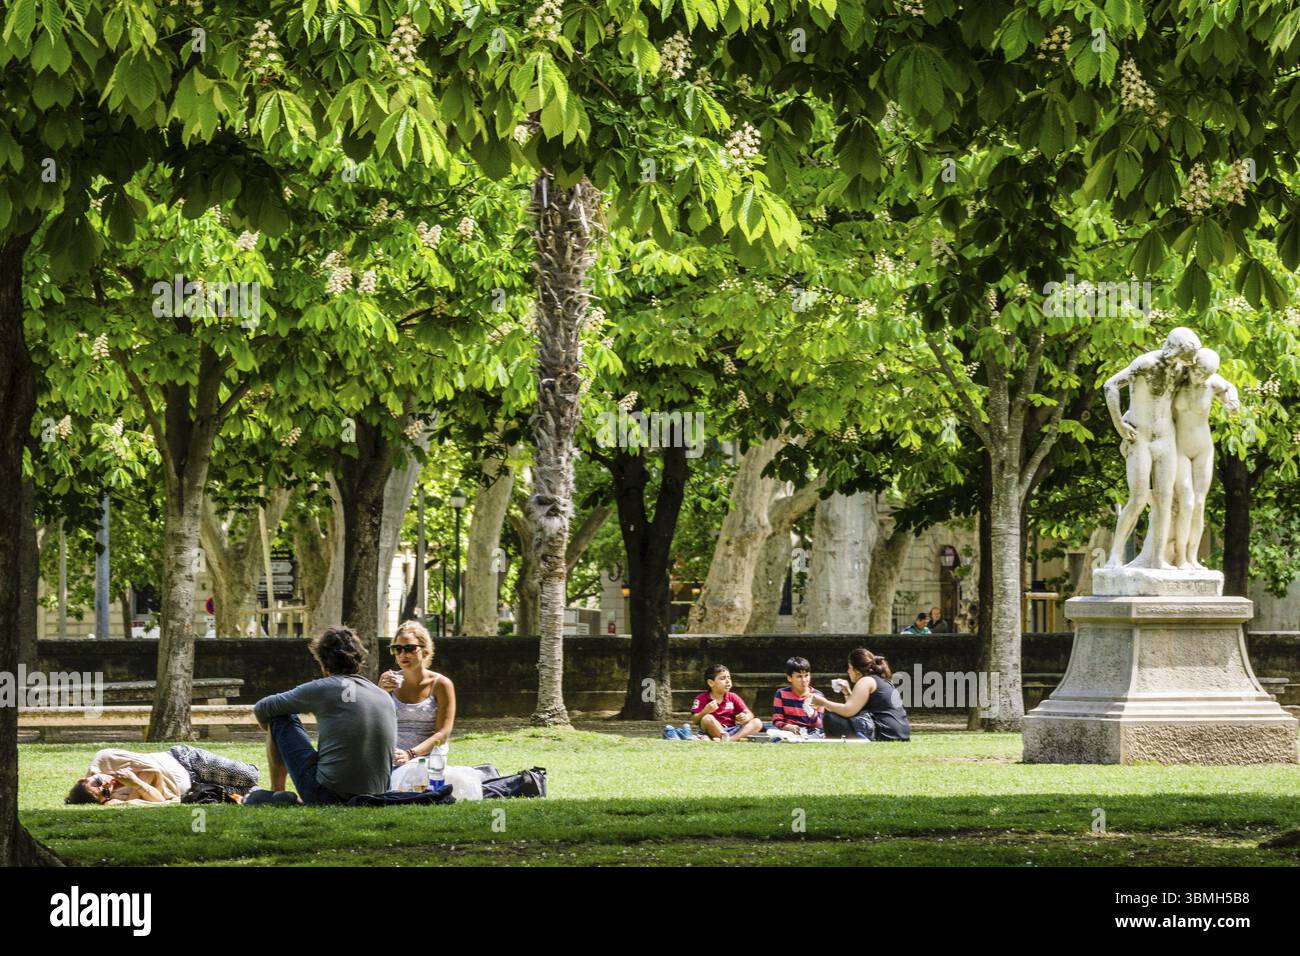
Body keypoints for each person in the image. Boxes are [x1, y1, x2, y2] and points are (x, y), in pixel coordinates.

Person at [245, 626, 396, 806]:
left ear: (323, 662)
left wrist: (274, 735)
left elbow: (262, 708)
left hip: (328, 795)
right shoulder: (383, 695)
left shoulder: (323, 687)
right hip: (376, 796)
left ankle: (277, 791)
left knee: (279, 718)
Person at [1103, 327, 1201, 569]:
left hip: (1165, 439)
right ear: (1178, 349)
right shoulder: (1145, 363)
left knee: (1164, 501)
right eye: (1190, 353)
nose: (1193, 360)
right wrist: (1119, 425)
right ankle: (1115, 555)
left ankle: (1157, 558)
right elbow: (1110, 386)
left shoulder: (1180, 369)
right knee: (1137, 499)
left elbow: (1207, 379)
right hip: (1141, 438)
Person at [1170, 348, 1240, 569]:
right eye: (1199, 372)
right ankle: (1179, 557)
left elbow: (1230, 388)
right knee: (1186, 502)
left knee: (1199, 503)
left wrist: (1232, 401)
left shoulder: (1211, 382)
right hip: (1179, 447)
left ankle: (1192, 557)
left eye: (1205, 374)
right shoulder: (1176, 380)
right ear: (1192, 365)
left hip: (1203, 447)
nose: (1200, 377)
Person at [378, 620, 456, 790]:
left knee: (408, 781)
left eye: (410, 648)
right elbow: (375, 724)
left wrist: (410, 754)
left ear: (425, 650)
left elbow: (443, 733)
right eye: (397, 649)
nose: (403, 654)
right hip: (390, 753)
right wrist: (380, 693)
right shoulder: (388, 681)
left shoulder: (441, 684)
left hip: (426, 757)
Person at [65, 746, 258, 805]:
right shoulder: (113, 800)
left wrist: (134, 786)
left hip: (186, 762)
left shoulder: (104, 760)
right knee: (250, 795)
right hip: (194, 788)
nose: (106, 785)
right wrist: (138, 786)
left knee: (249, 776)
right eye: (104, 792)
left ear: (84, 778)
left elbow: (151, 768)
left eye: (98, 781)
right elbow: (157, 801)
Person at [812, 648, 910, 741]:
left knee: (831, 719)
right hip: (899, 733)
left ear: (857, 671)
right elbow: (857, 710)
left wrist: (823, 702)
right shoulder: (881, 679)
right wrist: (847, 693)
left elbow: (848, 710)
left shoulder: (866, 681)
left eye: (850, 668)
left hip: (885, 733)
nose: (848, 671)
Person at [690, 665, 763, 741]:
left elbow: (749, 713)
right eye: (723, 678)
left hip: (732, 730)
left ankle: (730, 739)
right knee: (707, 718)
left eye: (729, 678)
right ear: (711, 683)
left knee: (757, 722)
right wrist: (705, 711)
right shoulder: (701, 698)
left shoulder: (733, 696)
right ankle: (724, 738)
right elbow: (695, 720)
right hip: (713, 730)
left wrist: (745, 717)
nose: (728, 681)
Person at [772, 657, 824, 736]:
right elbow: (777, 720)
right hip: (788, 732)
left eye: (806, 675)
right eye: (799, 676)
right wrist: (787, 726)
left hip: (811, 733)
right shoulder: (781, 694)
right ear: (789, 678)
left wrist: (812, 713)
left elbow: (819, 724)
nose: (804, 680)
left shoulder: (817, 696)